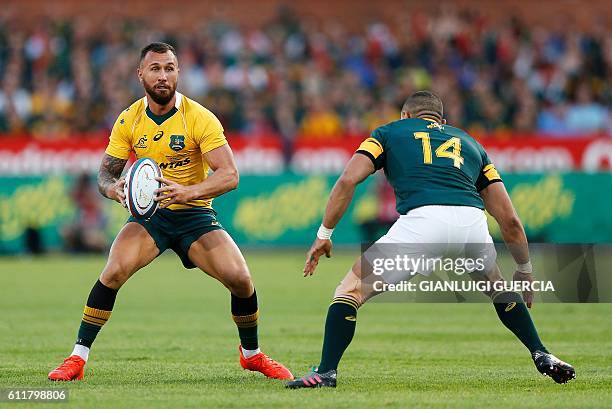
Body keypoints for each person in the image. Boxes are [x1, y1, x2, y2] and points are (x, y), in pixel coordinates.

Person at [287, 91, 575, 388]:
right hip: (471, 223)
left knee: (350, 290)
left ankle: (325, 372)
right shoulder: (470, 143)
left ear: (406, 117)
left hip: (423, 222)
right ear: (443, 121)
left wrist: (324, 234)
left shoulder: (388, 132)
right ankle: (542, 352)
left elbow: (348, 179)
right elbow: (510, 220)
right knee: (498, 287)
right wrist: (525, 269)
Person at [48, 42, 293, 382]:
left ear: (178, 73)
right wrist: (113, 189)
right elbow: (105, 174)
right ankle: (77, 358)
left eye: (169, 68)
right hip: (151, 218)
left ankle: (251, 355)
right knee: (114, 270)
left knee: (240, 279)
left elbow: (230, 175)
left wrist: (188, 191)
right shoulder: (129, 119)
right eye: (155, 69)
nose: (163, 76)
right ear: (141, 75)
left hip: (194, 215)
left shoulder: (199, 117)